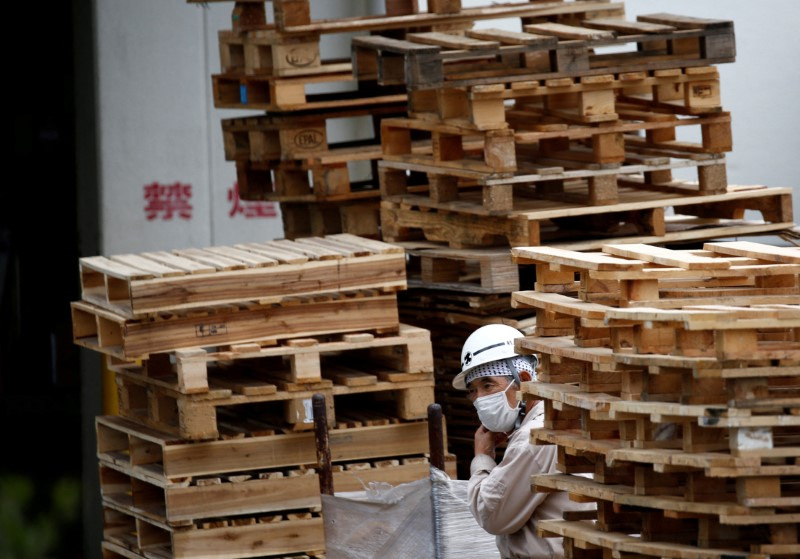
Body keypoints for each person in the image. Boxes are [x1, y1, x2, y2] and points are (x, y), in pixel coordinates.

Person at [453, 324, 595, 559]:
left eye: (488, 385)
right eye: (473, 390)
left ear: (525, 379)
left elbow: (491, 515)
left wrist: (482, 456)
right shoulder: (554, 418)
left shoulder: (533, 438)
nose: (479, 399)